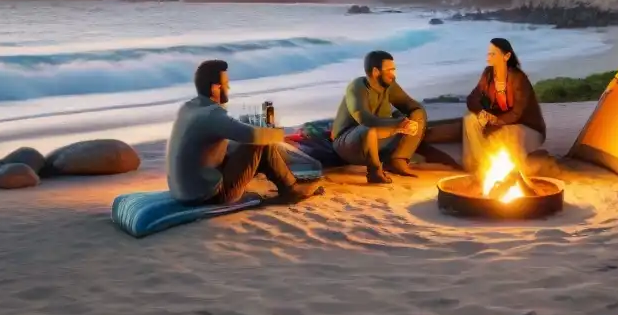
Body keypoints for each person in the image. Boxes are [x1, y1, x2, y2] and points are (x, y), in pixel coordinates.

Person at [166, 59, 323, 206]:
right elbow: (253, 136)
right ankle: (291, 189)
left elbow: (230, 132)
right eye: (226, 84)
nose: (229, 88)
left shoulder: (188, 108)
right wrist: (277, 134)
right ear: (215, 88)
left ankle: (284, 182)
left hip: (181, 191)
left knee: (249, 141)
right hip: (207, 196)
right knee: (260, 143)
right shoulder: (212, 114)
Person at [331, 50, 427, 184]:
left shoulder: (389, 85)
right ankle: (375, 171)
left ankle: (398, 159)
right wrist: (397, 124)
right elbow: (365, 119)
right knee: (368, 130)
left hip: (380, 137)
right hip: (350, 143)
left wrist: (409, 121)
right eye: (390, 70)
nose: (394, 74)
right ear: (376, 71)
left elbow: (412, 105)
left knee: (418, 113)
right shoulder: (357, 87)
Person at [463, 38, 547, 176]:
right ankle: (481, 165)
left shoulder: (518, 78)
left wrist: (496, 120)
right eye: (488, 54)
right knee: (470, 119)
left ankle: (516, 171)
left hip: (527, 128)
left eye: (493, 54)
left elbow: (518, 113)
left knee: (508, 133)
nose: (488, 57)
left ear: (506, 56)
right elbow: (472, 98)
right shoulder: (488, 74)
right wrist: (482, 113)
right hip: (500, 124)